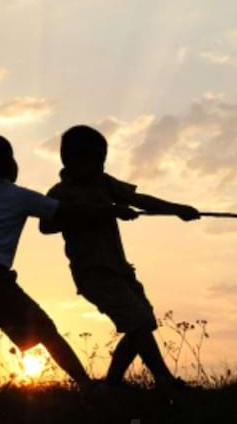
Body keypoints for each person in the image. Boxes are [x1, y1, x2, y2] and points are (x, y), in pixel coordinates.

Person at [0, 133, 137, 388]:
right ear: (10, 165)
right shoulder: (22, 197)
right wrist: (111, 209)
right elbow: (65, 212)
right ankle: (85, 383)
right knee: (45, 330)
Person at [39, 125, 200, 390]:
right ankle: (164, 379)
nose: (101, 167)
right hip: (92, 272)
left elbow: (138, 199)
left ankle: (112, 384)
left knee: (143, 323)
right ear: (73, 161)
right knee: (137, 322)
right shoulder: (60, 193)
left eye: (103, 161)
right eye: (96, 162)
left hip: (119, 269)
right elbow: (46, 226)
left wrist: (176, 209)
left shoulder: (104, 183)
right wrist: (106, 211)